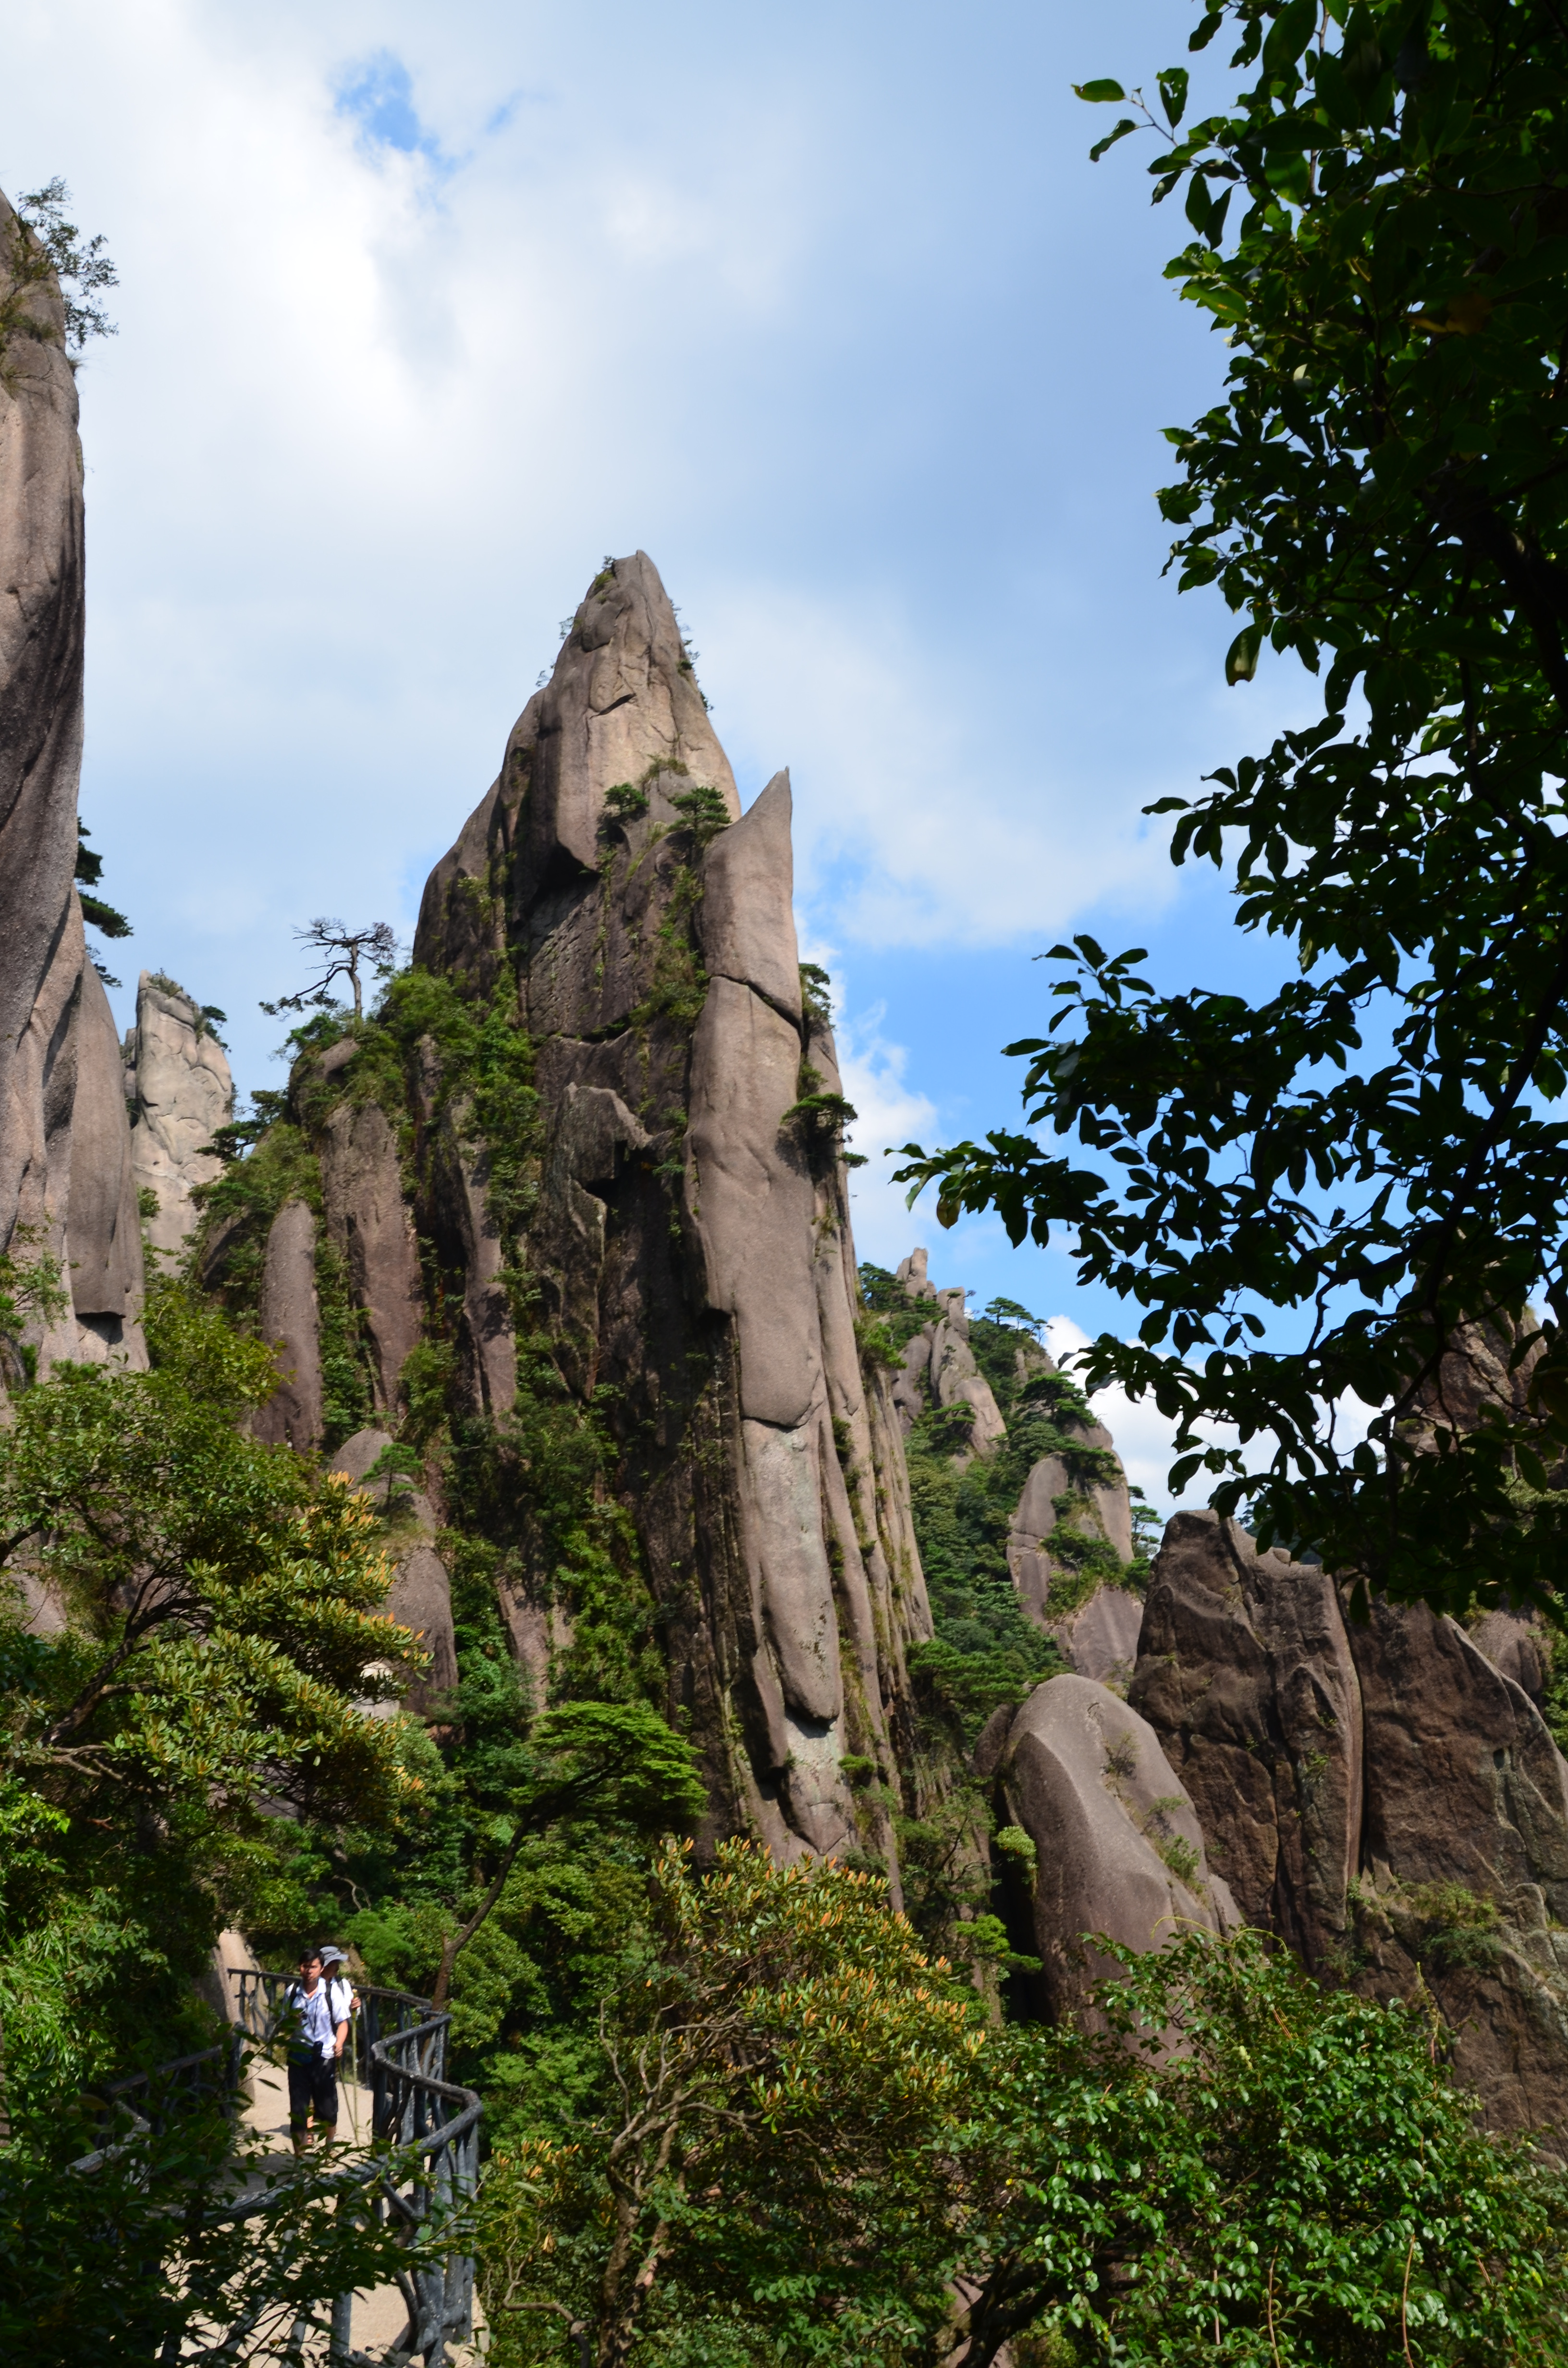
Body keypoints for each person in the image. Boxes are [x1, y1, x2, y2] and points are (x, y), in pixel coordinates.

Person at [281, 1945, 348, 2154]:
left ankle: (329, 2147)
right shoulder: (292, 1993)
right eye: (305, 1966)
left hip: (324, 2057)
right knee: (299, 2112)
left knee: (328, 2110)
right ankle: (300, 2164)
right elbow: (284, 2025)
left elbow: (343, 2022)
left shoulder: (331, 1992)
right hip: (298, 2059)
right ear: (299, 1968)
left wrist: (339, 2044)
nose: (309, 1971)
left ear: (321, 1969)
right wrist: (291, 2022)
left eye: (313, 1967)